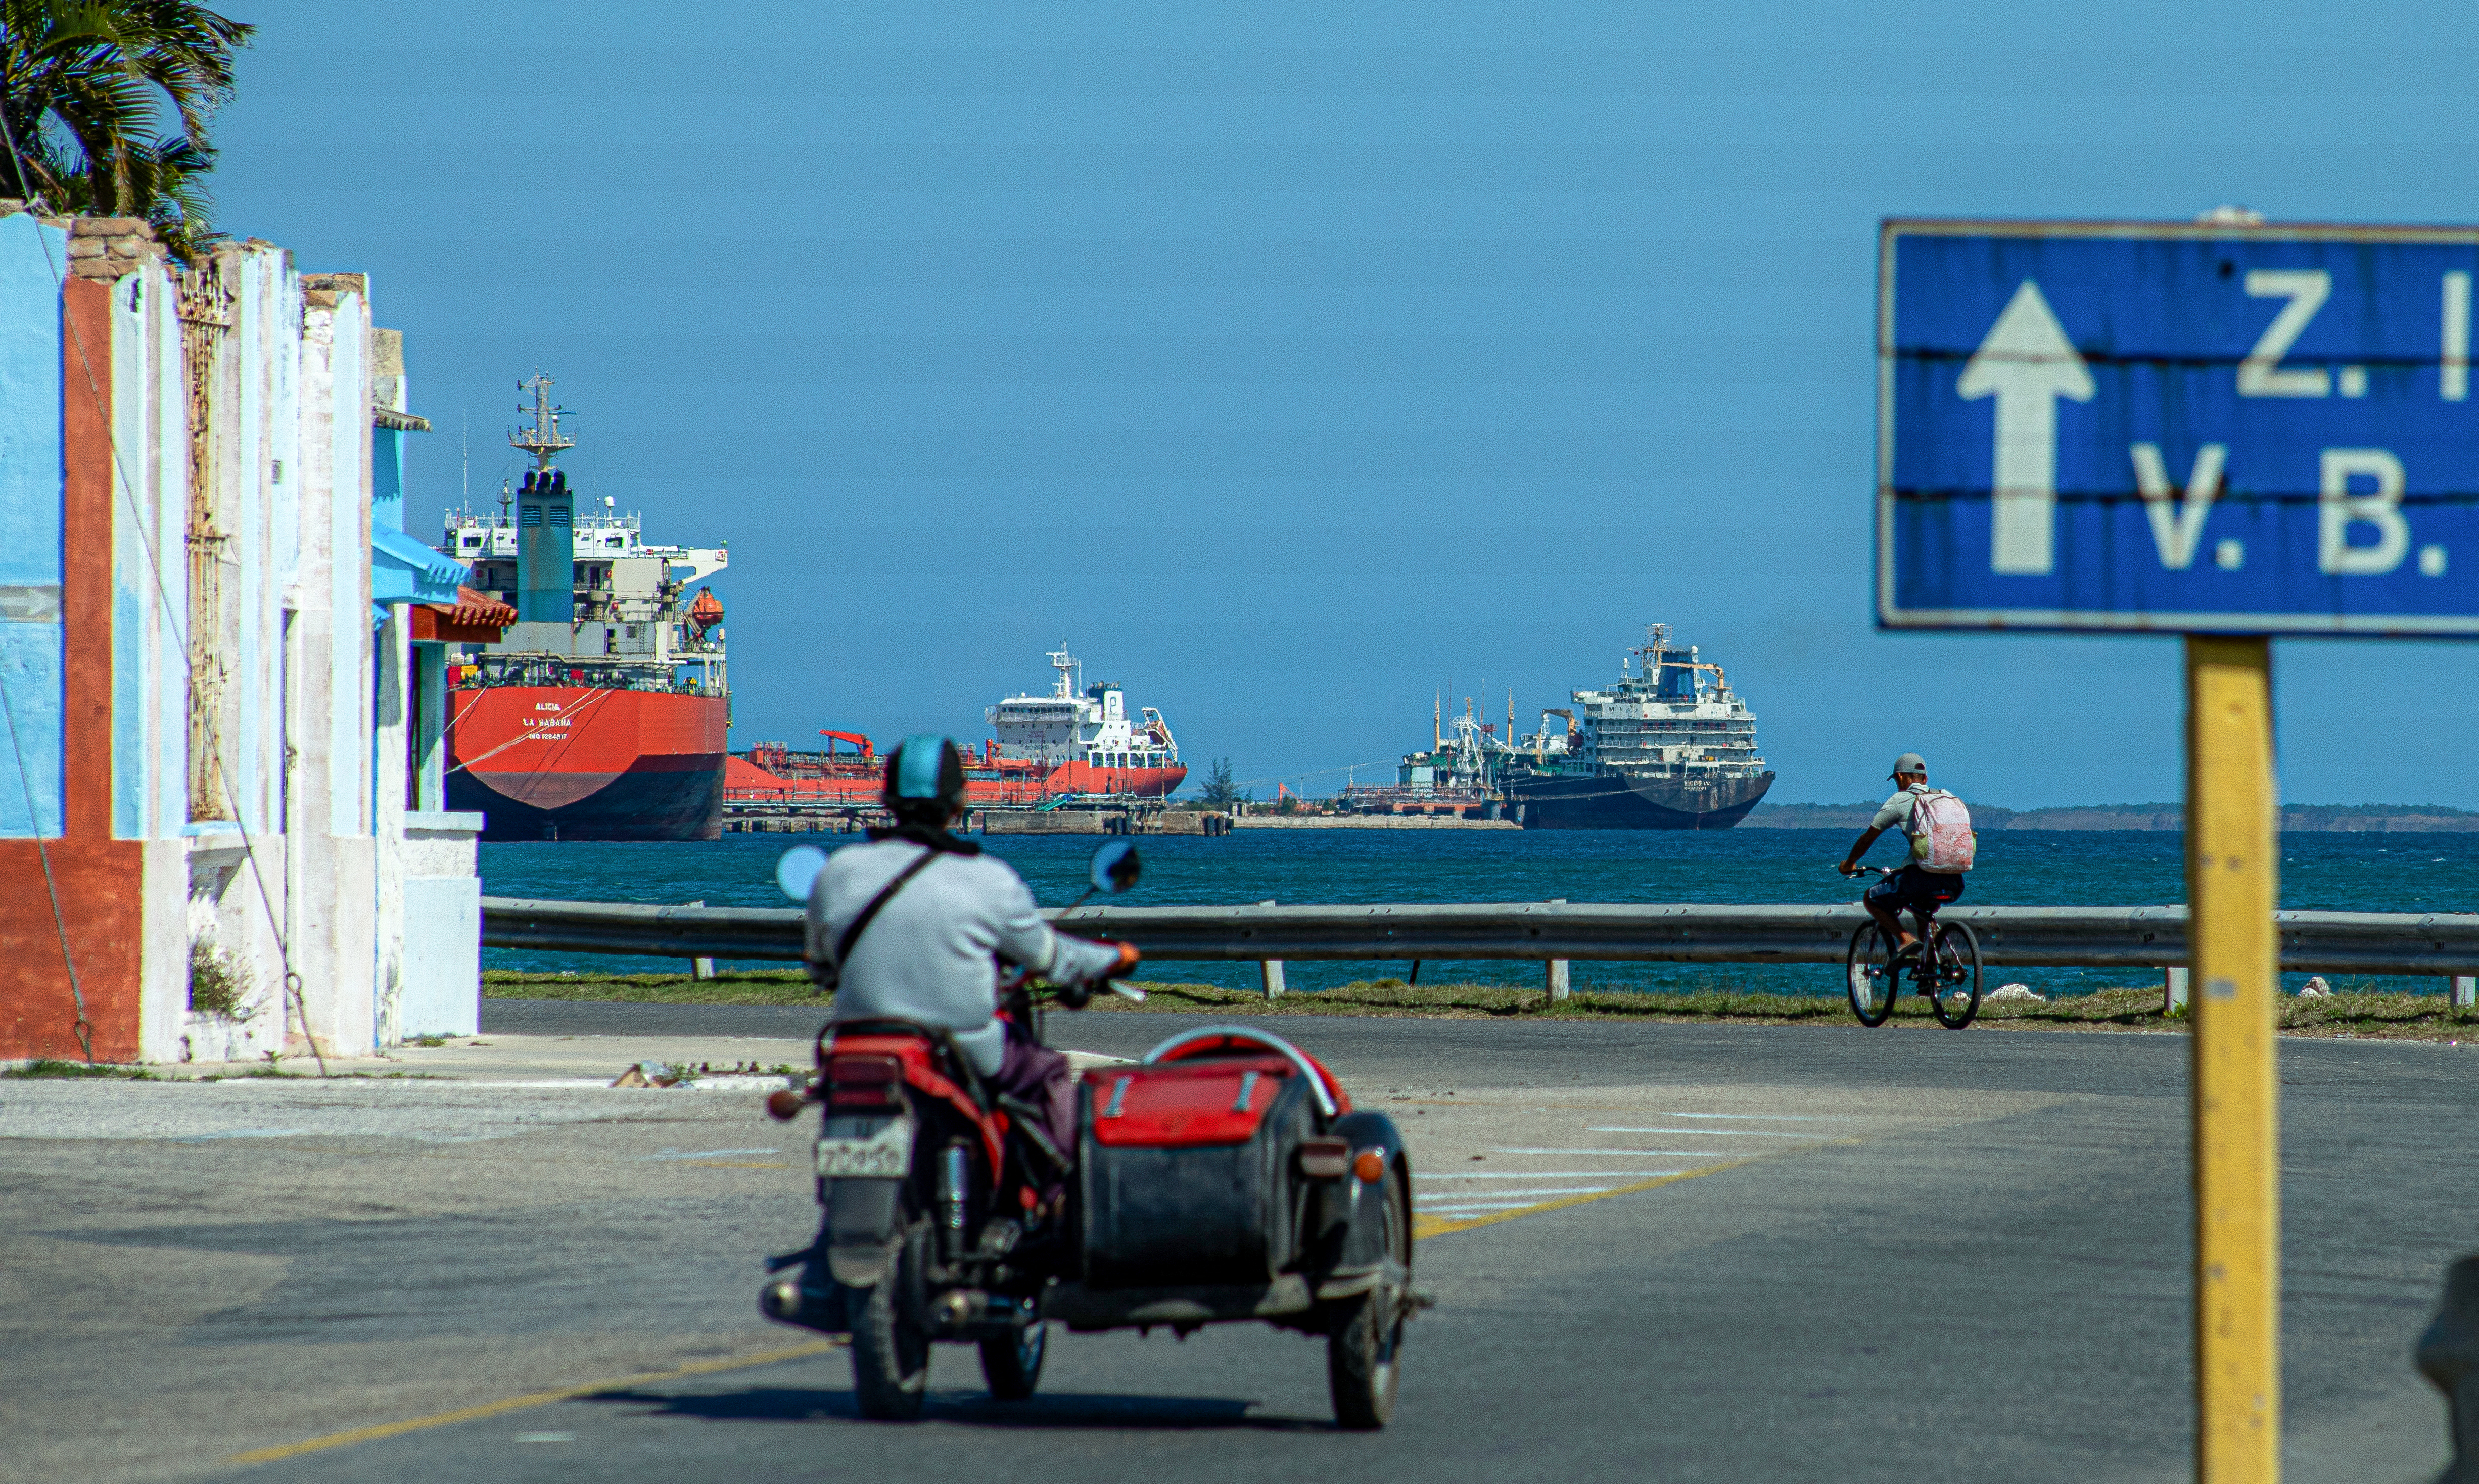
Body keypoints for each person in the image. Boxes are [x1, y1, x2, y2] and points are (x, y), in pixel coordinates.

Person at [807, 733, 1136, 1167]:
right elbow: (1049, 957)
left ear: (886, 799)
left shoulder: (838, 871)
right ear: (960, 803)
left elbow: (820, 965)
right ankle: (1055, 1192)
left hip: (858, 1045)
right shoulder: (988, 879)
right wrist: (1115, 957)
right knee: (1048, 1071)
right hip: (960, 1050)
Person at [1837, 752, 1966, 953]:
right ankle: (1930, 971)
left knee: (1871, 899)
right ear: (1925, 779)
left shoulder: (1901, 800)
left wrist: (1849, 863)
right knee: (1921, 909)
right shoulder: (1946, 797)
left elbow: (1868, 837)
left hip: (1920, 879)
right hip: (1955, 882)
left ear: (1900, 777)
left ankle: (1905, 939)